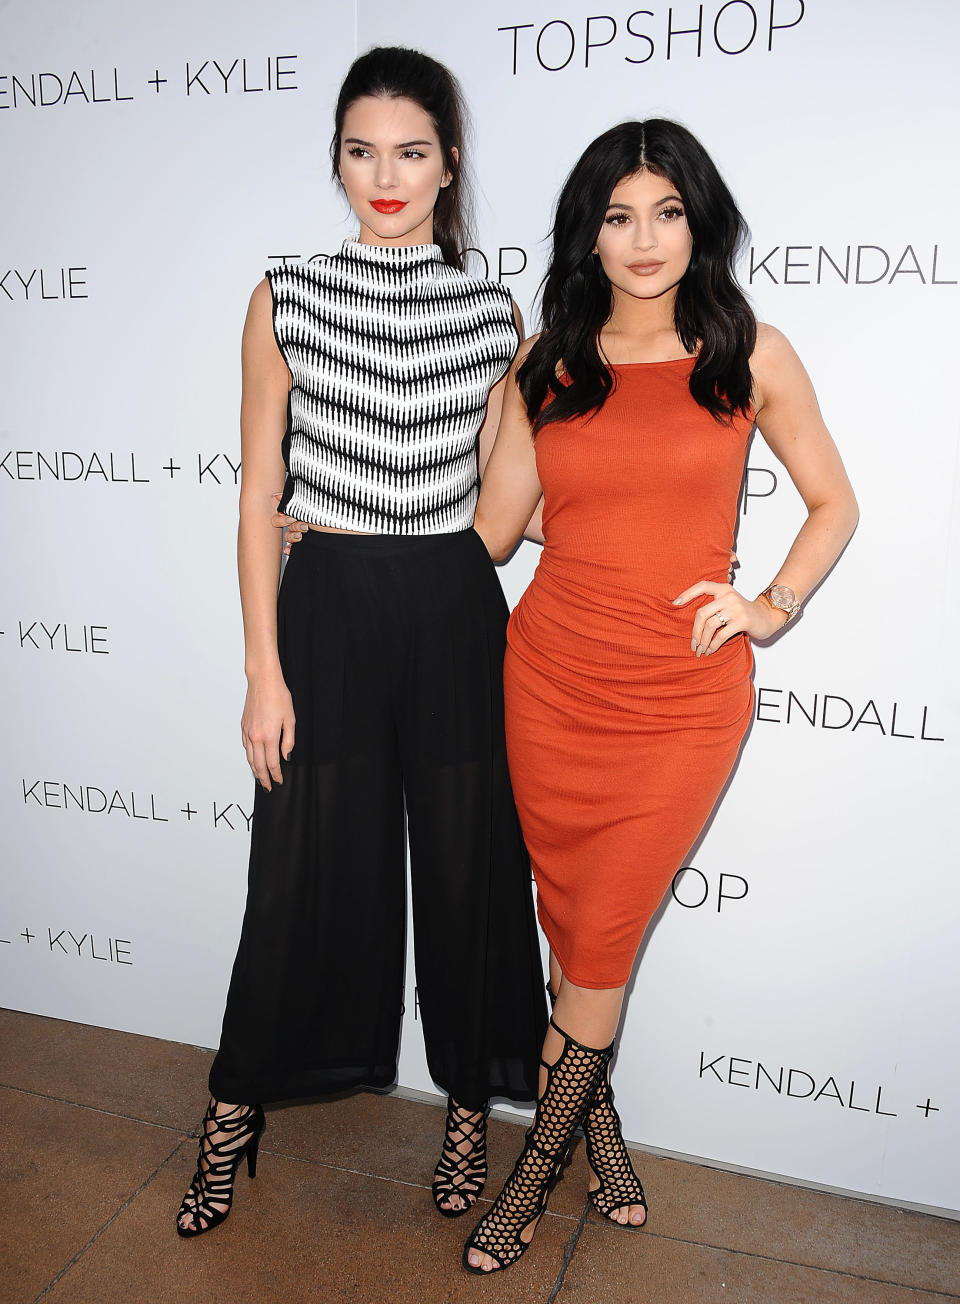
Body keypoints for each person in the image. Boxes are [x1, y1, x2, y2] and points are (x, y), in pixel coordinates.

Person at [459, 119, 859, 1274]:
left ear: (701, 220)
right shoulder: (550, 362)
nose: (643, 239)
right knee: (571, 928)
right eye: (618, 214)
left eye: (667, 212)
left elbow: (834, 502)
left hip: (680, 701)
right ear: (588, 230)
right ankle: (607, 1139)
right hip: (546, 676)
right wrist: (343, 531)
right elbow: (498, 532)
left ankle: (529, 1178)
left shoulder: (752, 352)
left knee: (601, 936)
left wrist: (769, 602)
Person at [175, 46, 547, 1238]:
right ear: (336, 159)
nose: (384, 176)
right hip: (324, 605)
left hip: (448, 609)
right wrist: (262, 671)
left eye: (412, 151)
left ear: (449, 166)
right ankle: (231, 1115)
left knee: (467, 873)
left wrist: (447, 542)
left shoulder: (494, 312)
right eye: (360, 149)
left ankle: (463, 1113)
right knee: (294, 878)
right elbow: (252, 495)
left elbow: (505, 508)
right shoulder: (283, 294)